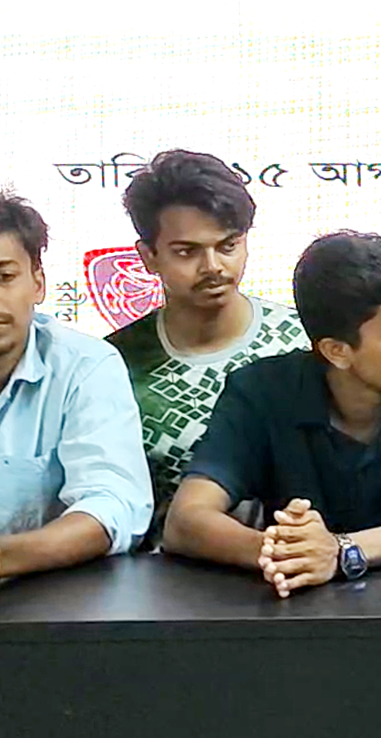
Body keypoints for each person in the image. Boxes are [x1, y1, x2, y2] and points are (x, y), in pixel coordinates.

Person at [163, 232, 381, 596]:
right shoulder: (261, 391)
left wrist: (342, 551)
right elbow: (186, 520)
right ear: (337, 351)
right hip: (296, 611)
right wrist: (291, 555)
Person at [0, 184, 151, 603]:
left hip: (50, 606)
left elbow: (114, 503)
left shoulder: (87, 365)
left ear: (38, 283)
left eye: (3, 277)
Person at [107, 150, 310, 547]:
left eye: (228, 245)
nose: (213, 266)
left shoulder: (304, 341)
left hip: (306, 569)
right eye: (188, 252)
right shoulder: (111, 366)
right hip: (162, 575)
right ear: (148, 257)